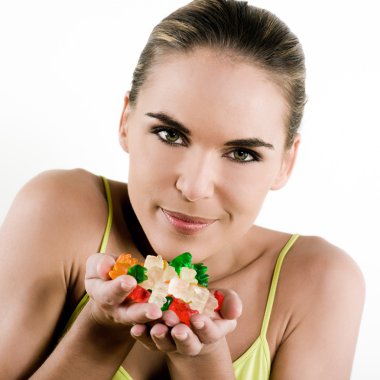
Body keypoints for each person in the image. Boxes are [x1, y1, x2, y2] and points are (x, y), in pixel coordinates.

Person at [0, 0, 365, 379]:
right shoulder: (58, 209)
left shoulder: (321, 283)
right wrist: (100, 331)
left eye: (242, 153)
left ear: (286, 163)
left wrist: (203, 363)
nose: (193, 187)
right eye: (169, 134)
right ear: (126, 121)